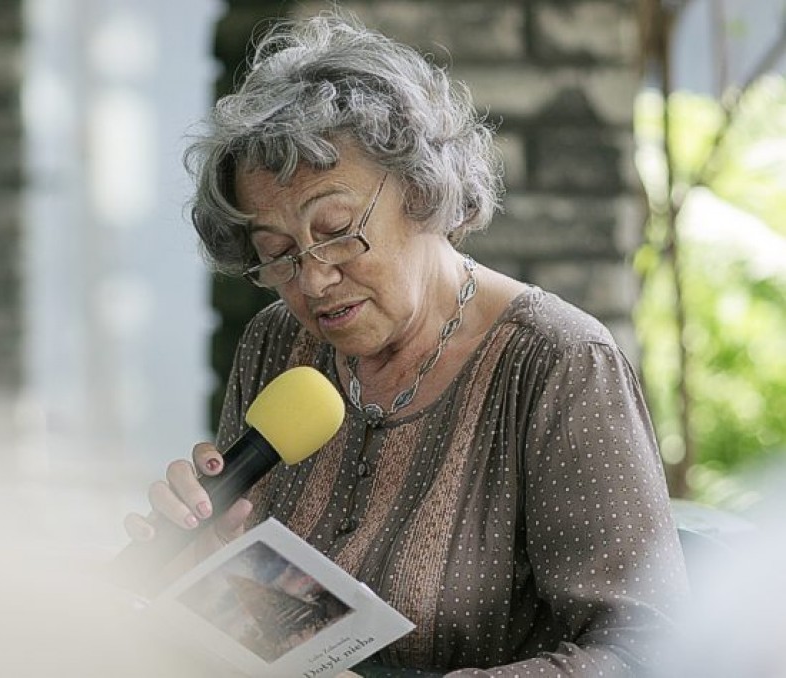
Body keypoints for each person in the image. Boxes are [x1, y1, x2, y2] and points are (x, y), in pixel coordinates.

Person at [122, 10, 689, 677]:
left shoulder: (559, 364)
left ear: (420, 189)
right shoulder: (276, 343)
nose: (313, 279)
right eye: (277, 253)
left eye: (336, 231)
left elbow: (647, 653)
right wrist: (207, 567)